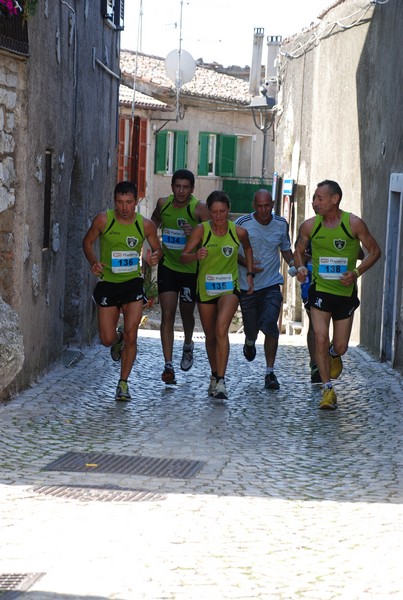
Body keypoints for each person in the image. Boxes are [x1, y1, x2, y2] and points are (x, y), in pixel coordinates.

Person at [294, 179, 381, 410]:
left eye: (319, 198)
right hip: (320, 291)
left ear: (335, 199)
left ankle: (333, 354)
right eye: (314, 198)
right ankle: (327, 390)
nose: (314, 202)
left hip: (345, 293)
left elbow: (374, 251)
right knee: (320, 338)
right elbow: (298, 251)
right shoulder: (310, 226)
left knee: (340, 346)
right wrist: (301, 267)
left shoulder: (353, 224)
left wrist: (356, 272)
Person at [82, 181, 162, 401]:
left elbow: (157, 249)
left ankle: (123, 383)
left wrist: (155, 256)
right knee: (106, 339)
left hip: (132, 283)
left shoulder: (144, 225)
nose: (125, 207)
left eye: (129, 202)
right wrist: (93, 262)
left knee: (131, 334)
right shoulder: (103, 220)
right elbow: (87, 242)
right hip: (108, 283)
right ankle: (116, 340)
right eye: (120, 202)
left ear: (136, 202)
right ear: (114, 201)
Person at [180, 190, 254, 400]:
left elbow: (248, 250)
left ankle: (221, 380)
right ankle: (214, 374)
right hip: (206, 289)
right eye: (214, 212)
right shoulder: (201, 231)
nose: (219, 216)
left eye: (222, 212)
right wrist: (196, 255)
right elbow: (183, 257)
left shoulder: (238, 232)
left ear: (228, 211)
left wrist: (249, 273)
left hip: (229, 288)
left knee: (222, 328)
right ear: (209, 212)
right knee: (211, 335)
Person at [151, 169, 210, 385]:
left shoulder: (198, 209)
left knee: (186, 314)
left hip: (190, 270)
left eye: (186, 187)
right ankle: (168, 365)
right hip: (168, 266)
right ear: (172, 186)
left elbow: (212, 237)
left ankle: (187, 344)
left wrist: (193, 234)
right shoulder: (162, 204)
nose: (181, 191)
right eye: (177, 186)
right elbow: (152, 224)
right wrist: (154, 247)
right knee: (167, 313)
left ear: (192, 189)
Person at [235, 189, 295, 390]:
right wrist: (247, 264)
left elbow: (285, 249)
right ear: (254, 205)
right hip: (248, 286)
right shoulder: (242, 224)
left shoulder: (280, 224)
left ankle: (270, 373)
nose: (263, 210)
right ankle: (250, 341)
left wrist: (296, 266)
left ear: (273, 204)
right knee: (252, 328)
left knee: (270, 325)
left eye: (267, 206)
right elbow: (231, 251)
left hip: (271, 284)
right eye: (259, 206)